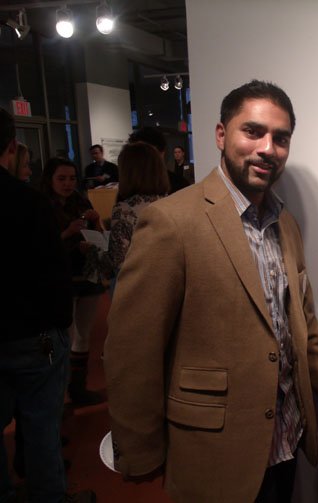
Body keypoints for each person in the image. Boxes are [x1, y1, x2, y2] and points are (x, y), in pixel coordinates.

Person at [104, 80, 318, 502]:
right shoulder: (171, 222)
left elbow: (303, 324)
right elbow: (131, 349)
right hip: (214, 451)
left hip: (285, 439)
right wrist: (138, 451)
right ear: (220, 135)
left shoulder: (285, 223)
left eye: (280, 138)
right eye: (253, 131)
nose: (268, 147)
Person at [0, 108, 87, 502]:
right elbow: (52, 273)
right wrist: (57, 325)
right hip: (35, 335)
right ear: (12, 147)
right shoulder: (28, 203)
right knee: (40, 429)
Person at [42, 158, 105, 407]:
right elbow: (40, 246)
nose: (68, 183)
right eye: (62, 178)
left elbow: (99, 237)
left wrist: (96, 221)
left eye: (71, 178)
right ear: (50, 179)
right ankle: (60, 396)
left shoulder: (81, 201)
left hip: (86, 274)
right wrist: (68, 233)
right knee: (62, 339)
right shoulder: (42, 205)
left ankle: (78, 389)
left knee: (84, 334)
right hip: (60, 278)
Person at [84, 141, 169, 294]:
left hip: (137, 290)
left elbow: (117, 261)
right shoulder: (171, 202)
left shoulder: (124, 209)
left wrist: (92, 250)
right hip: (168, 285)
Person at [127, 128, 189, 194]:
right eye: (175, 152)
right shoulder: (180, 184)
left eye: (179, 152)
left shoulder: (126, 189)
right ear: (163, 152)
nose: (177, 154)